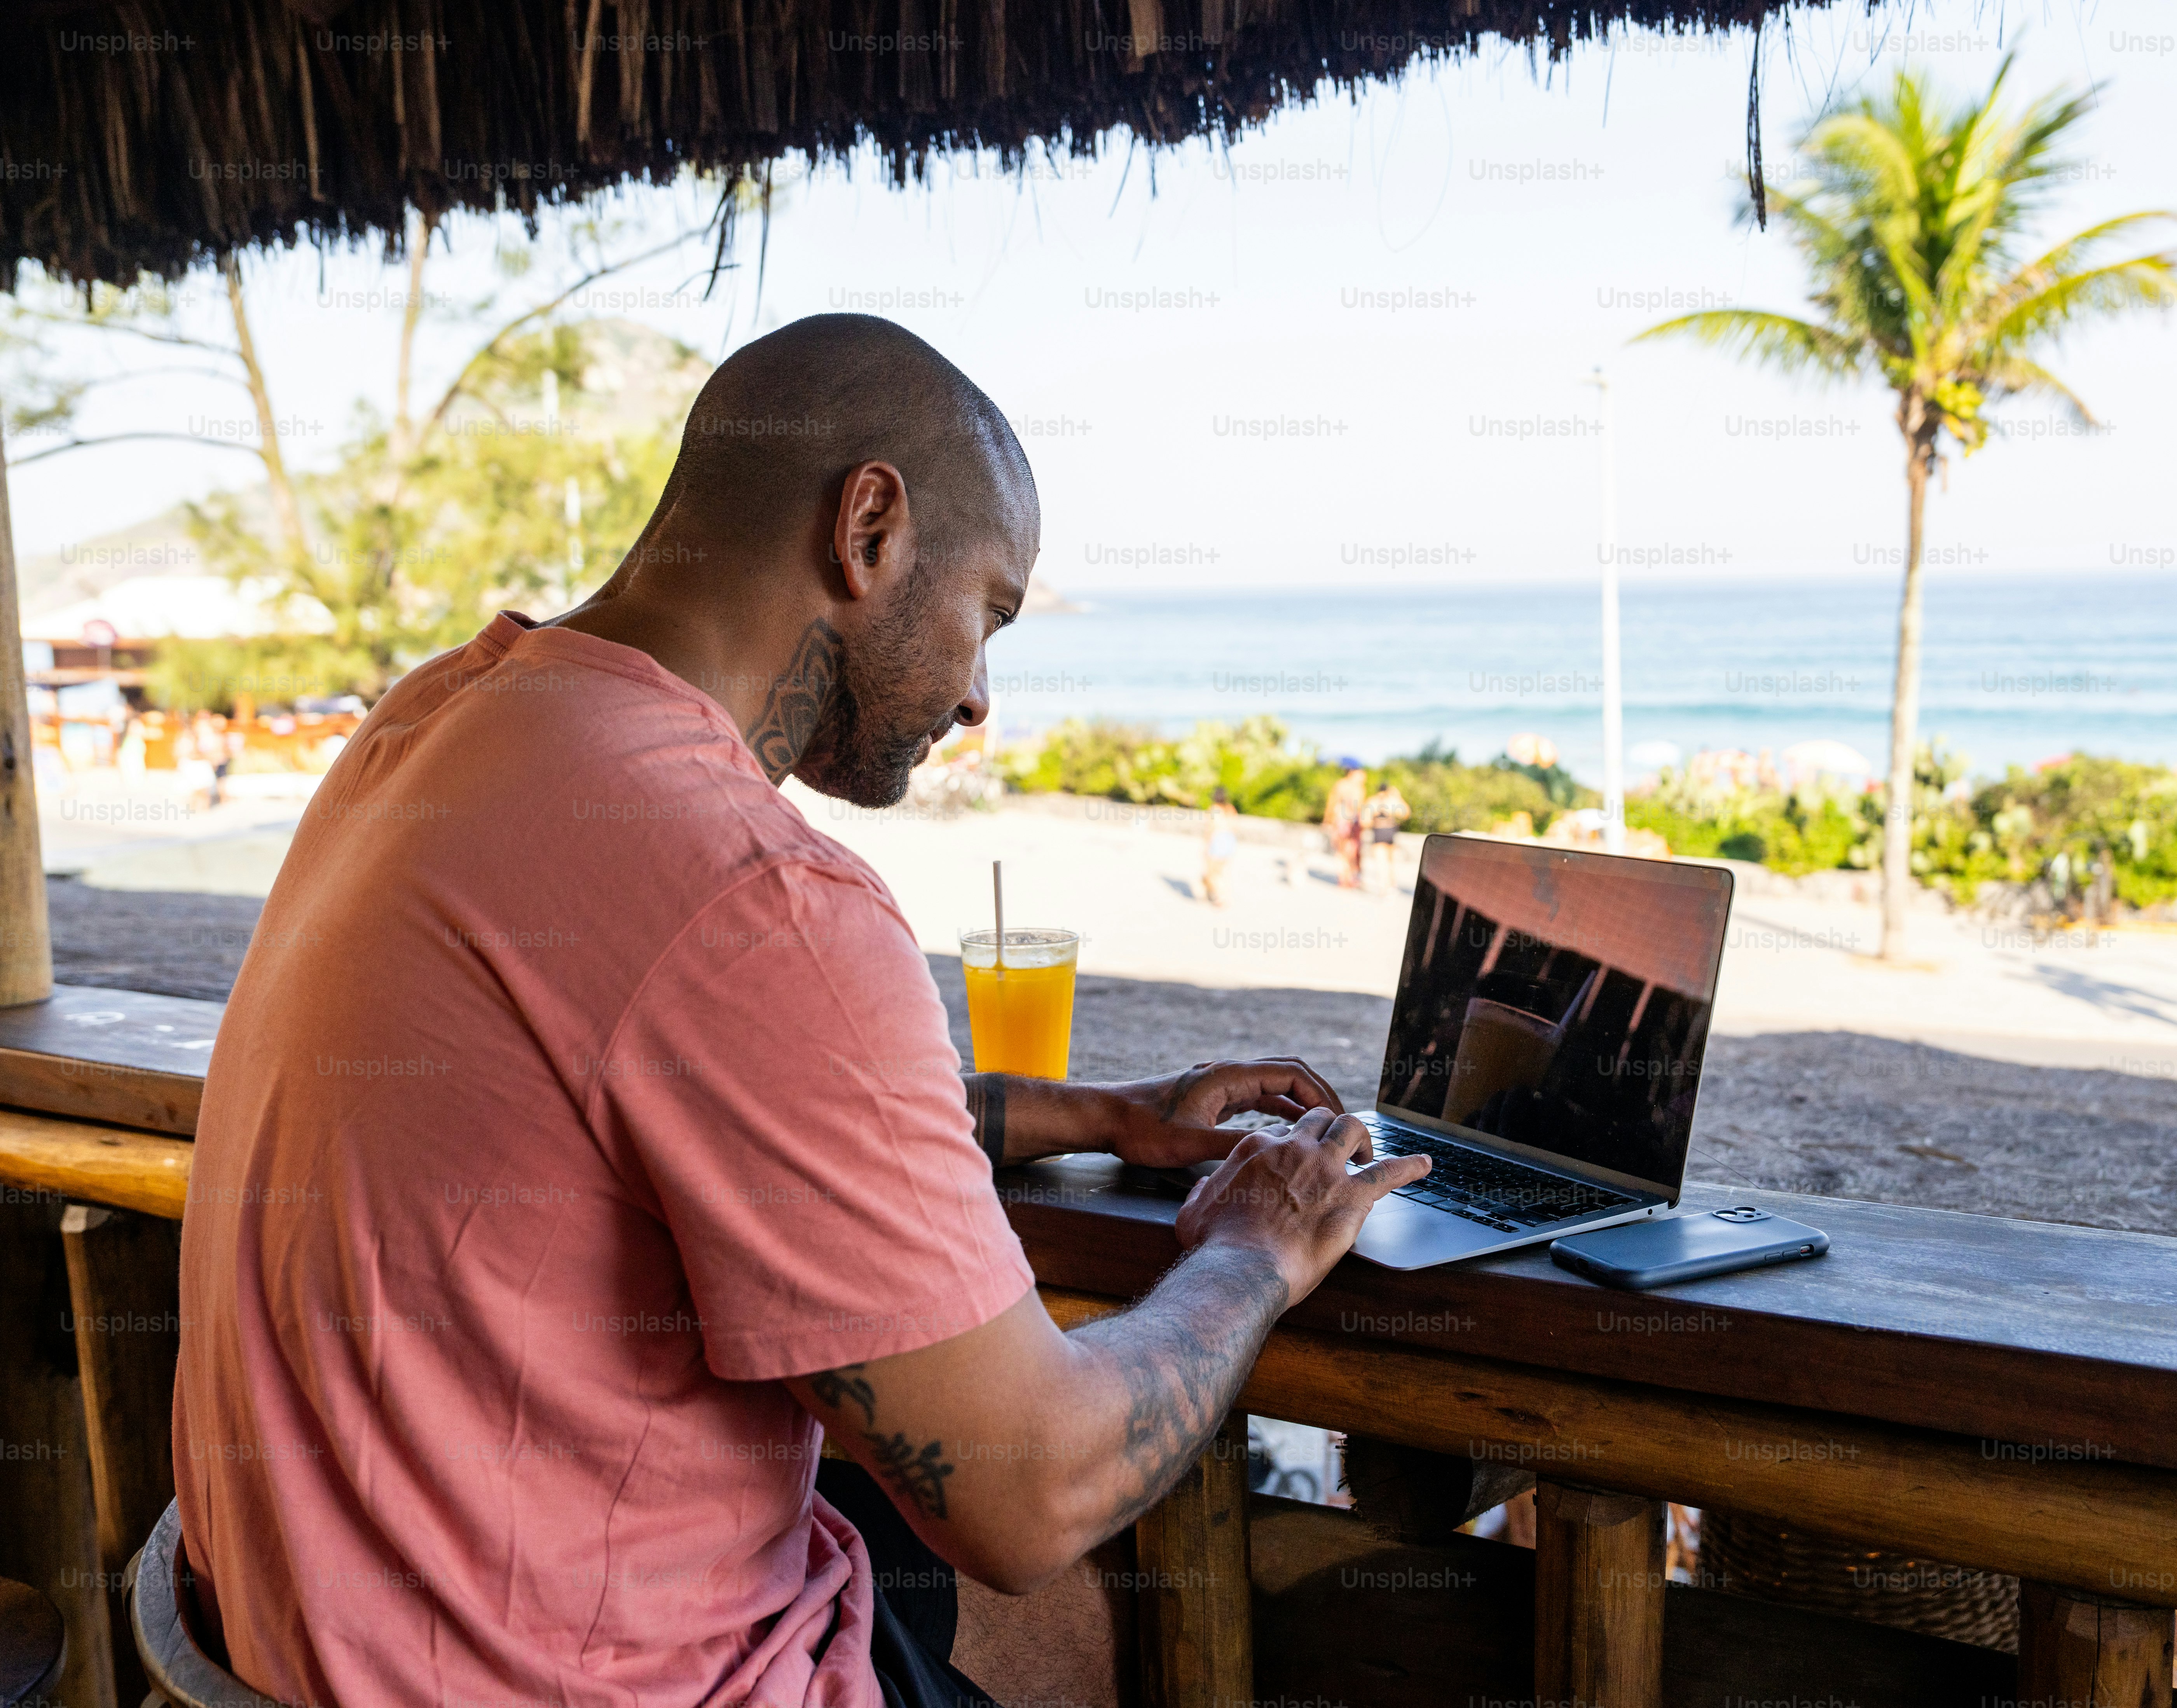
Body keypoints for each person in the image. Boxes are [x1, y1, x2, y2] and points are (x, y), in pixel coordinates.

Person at [173, 316, 1430, 1708]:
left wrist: (1097, 1113)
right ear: (871, 527)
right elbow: (1034, 1490)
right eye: (988, 614)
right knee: (1093, 1575)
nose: (976, 698)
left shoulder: (439, 717)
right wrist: (1253, 1248)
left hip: (282, 1651)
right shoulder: (751, 887)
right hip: (591, 1682)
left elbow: (635, 1091)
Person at [1358, 781, 1411, 893]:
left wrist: (1374, 818)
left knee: (1381, 860)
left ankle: (1385, 887)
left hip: (1379, 832)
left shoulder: (1372, 802)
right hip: (1390, 832)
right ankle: (1390, 885)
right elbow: (1406, 813)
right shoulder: (1392, 801)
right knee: (1390, 861)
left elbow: (1364, 822)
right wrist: (1398, 798)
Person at [1323, 764, 1368, 888]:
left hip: (1353, 822)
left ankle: (1348, 877)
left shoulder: (1360, 788)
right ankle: (1344, 878)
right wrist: (1328, 820)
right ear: (1353, 773)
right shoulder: (1343, 785)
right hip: (1344, 822)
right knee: (1343, 850)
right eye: (1362, 773)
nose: (1365, 776)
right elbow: (1333, 802)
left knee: (1352, 851)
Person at [1201, 785, 1240, 906]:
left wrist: (1206, 845)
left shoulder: (1213, 809)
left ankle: (1218, 894)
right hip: (1229, 840)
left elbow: (1210, 828)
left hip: (1218, 840)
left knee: (1212, 871)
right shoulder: (1231, 809)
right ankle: (1218, 893)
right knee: (1222, 871)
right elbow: (1235, 827)